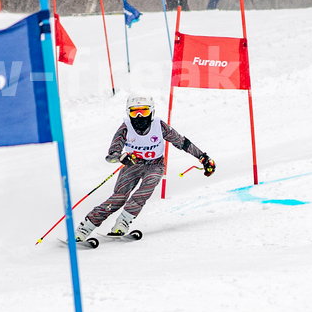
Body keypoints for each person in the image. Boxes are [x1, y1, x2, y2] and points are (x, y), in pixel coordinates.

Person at [78, 93, 215, 241]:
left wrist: (203, 157)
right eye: (134, 112)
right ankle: (84, 228)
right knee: (118, 198)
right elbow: (111, 155)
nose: (138, 116)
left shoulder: (159, 126)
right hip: (133, 165)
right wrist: (121, 157)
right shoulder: (125, 127)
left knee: (145, 190)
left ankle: (122, 223)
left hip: (155, 165)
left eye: (143, 111)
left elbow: (181, 142)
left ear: (152, 111)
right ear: (128, 113)